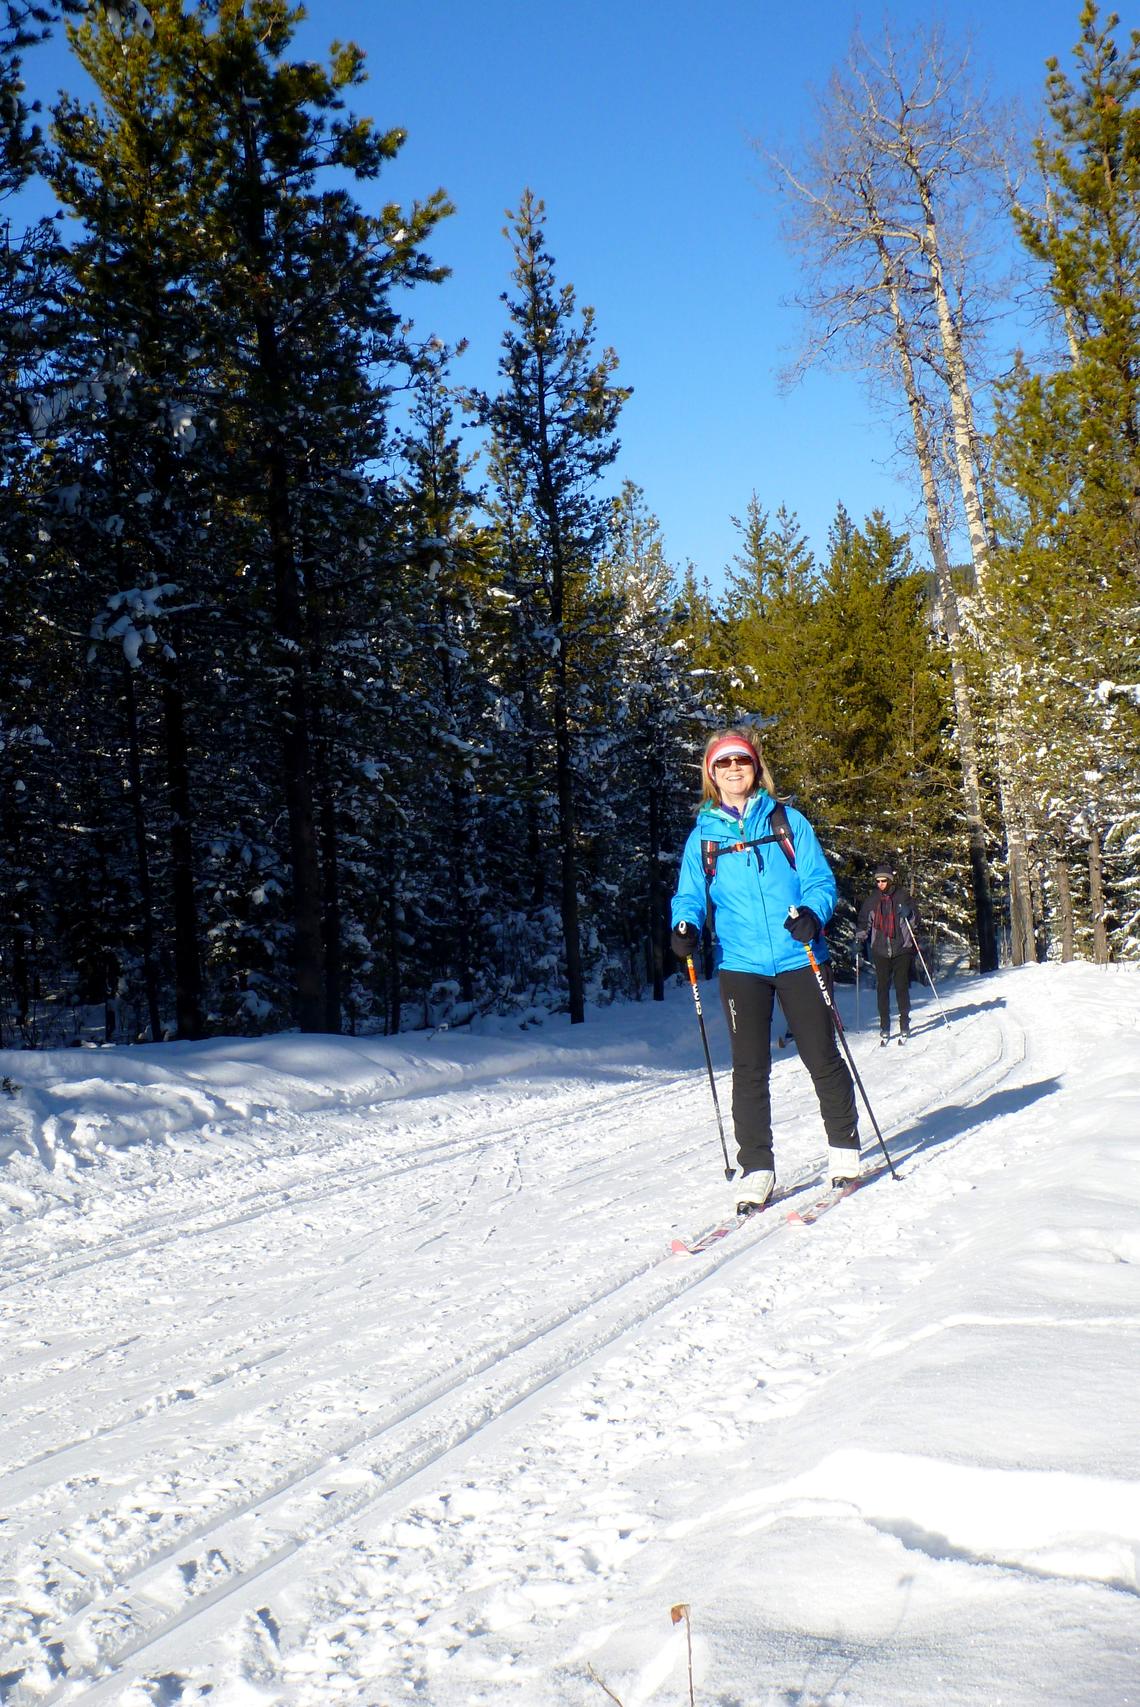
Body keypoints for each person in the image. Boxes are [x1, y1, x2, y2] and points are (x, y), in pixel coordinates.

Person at [670, 728, 859, 1216]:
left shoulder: (787, 821)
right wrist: (684, 923)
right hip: (742, 965)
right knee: (749, 1069)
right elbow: (689, 894)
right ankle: (756, 1169)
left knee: (821, 1055)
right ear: (711, 774)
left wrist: (813, 914)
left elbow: (819, 879)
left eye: (742, 761)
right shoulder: (703, 839)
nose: (735, 770)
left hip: (801, 955)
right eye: (724, 764)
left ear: (756, 767)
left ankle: (844, 1148)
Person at [856, 861, 920, 1045]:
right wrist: (859, 940)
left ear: (890, 881)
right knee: (882, 988)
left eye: (883, 881)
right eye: (878, 881)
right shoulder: (872, 900)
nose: (880, 884)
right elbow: (863, 922)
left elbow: (915, 920)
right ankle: (884, 1026)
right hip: (880, 950)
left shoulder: (902, 896)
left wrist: (910, 914)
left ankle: (904, 1024)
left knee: (901, 986)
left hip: (902, 948)